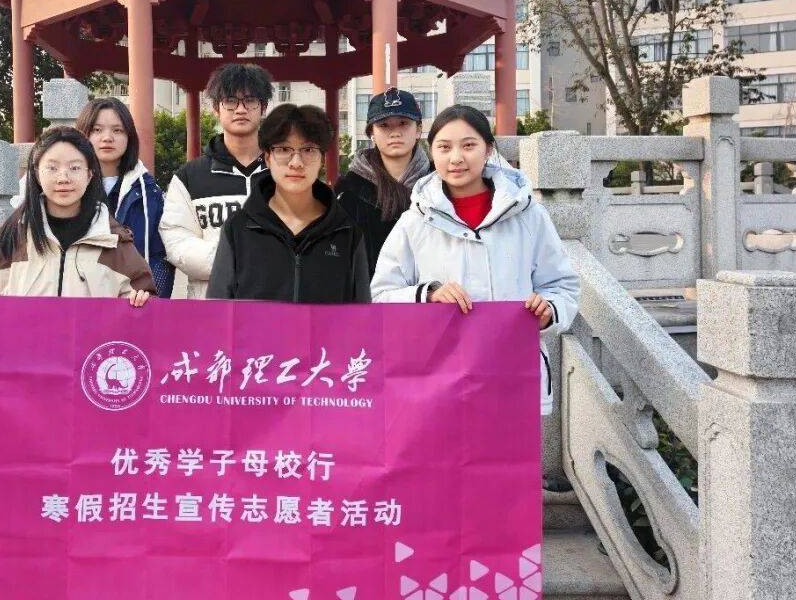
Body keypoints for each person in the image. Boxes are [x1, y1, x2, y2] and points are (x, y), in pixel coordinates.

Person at [370, 104, 580, 414]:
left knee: (509, 446)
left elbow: (563, 285)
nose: (456, 158)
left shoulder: (528, 215)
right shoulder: (414, 222)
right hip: (438, 384)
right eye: (444, 147)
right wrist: (427, 294)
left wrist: (548, 311)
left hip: (512, 377)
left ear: (488, 149)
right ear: (432, 153)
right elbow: (381, 296)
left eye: (468, 146)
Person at [0, 127, 155, 303]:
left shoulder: (114, 240)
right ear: (36, 174)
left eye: (75, 168)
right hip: (22, 352)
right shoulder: (12, 238)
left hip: (89, 352)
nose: (63, 178)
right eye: (52, 168)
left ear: (90, 175)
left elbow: (145, 304)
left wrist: (142, 300)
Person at [207, 104, 370, 303]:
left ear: (322, 159)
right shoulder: (238, 229)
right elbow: (218, 311)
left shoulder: (347, 233)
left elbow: (362, 315)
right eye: (284, 149)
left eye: (308, 149)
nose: (296, 163)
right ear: (267, 157)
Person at [160, 63, 273, 299]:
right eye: (230, 101)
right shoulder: (189, 177)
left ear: (263, 107)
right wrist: (234, 260)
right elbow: (176, 240)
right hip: (211, 306)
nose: (240, 109)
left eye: (250, 101)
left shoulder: (286, 173)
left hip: (274, 306)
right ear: (215, 108)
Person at [75, 97, 174, 298]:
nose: (107, 138)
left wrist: (150, 296)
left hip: (132, 304)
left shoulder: (149, 193)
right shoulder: (65, 189)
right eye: (97, 130)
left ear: (129, 136)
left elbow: (160, 257)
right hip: (78, 302)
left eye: (117, 130)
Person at [335, 87, 432, 275]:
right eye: (384, 125)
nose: (395, 133)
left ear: (418, 130)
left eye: (403, 123)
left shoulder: (439, 184)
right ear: (371, 133)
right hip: (368, 290)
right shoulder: (348, 192)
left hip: (430, 290)